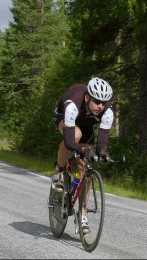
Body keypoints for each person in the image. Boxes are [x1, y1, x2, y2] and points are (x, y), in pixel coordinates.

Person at [51, 77, 114, 233]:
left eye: (104, 103)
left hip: (86, 123)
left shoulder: (107, 112)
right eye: (97, 101)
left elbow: (101, 144)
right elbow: (69, 141)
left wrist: (104, 153)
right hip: (63, 116)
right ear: (87, 98)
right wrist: (82, 149)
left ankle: (82, 213)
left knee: (85, 166)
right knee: (76, 136)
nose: (100, 106)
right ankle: (58, 172)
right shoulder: (72, 104)